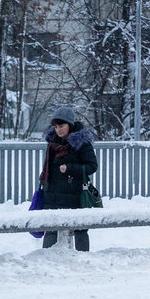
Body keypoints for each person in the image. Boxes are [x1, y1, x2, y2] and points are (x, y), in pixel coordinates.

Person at [39, 106, 98, 251]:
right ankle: (46, 259)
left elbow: (92, 166)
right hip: (53, 194)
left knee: (80, 228)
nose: (58, 129)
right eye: (56, 126)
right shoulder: (52, 143)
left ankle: (83, 259)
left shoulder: (81, 143)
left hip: (75, 194)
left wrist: (70, 168)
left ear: (70, 125)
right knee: (50, 228)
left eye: (62, 125)